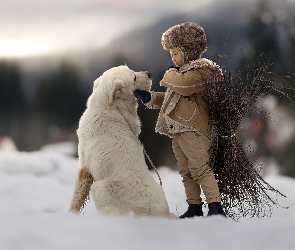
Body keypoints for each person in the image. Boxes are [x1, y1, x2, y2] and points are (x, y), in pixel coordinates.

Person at [134, 22, 226, 218]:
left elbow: (182, 86)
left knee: (199, 168)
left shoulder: (203, 71)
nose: (173, 58)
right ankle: (194, 206)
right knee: (186, 171)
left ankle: (216, 207)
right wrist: (150, 98)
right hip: (178, 129)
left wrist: (169, 73)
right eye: (171, 54)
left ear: (189, 50)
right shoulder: (183, 72)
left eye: (175, 53)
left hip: (194, 130)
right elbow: (171, 98)